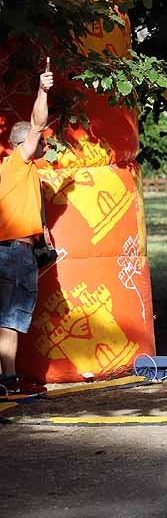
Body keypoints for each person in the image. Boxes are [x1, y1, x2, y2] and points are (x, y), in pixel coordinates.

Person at [0, 63, 53, 397]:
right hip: (15, 253)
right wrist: (43, 90)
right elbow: (37, 125)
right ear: (26, 146)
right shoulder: (20, 162)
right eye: (42, 144)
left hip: (10, 249)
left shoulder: (12, 172)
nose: (46, 147)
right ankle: (8, 382)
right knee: (9, 318)